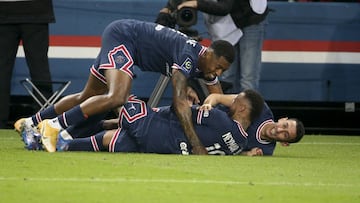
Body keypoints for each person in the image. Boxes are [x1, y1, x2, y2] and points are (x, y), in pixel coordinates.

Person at [15, 19, 235, 155]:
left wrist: (236, 132)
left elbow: (222, 101)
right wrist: (196, 144)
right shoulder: (190, 56)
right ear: (208, 54)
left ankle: (30, 122)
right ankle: (52, 126)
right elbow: (179, 104)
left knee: (88, 95)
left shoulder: (206, 66)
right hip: (123, 37)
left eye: (222, 71)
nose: (217, 74)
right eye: (217, 67)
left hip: (122, 37)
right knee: (117, 97)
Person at [41, 89, 265, 155]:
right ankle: (62, 144)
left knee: (118, 96)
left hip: (155, 129)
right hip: (163, 148)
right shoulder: (240, 145)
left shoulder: (217, 117)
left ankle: (56, 128)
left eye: (236, 99)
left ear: (242, 108)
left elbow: (180, 111)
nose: (231, 100)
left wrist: (182, 101)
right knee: (112, 139)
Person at [157, 0, 269, 93]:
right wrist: (167, 11)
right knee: (226, 78)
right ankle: (228, 116)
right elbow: (174, 4)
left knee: (248, 79)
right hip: (226, 27)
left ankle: (250, 118)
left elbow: (224, 7)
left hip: (250, 20)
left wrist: (196, 3)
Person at [0, 0, 55, 129]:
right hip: (36, 10)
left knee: (1, 71)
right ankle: (45, 121)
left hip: (4, 10)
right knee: (40, 69)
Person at [201, 93, 305, 155]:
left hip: (207, 143)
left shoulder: (264, 151)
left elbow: (231, 152)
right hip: (203, 121)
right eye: (284, 125)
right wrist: (207, 105)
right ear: (282, 119)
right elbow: (217, 97)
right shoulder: (260, 107)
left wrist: (247, 154)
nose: (279, 130)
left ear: (285, 143)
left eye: (285, 134)